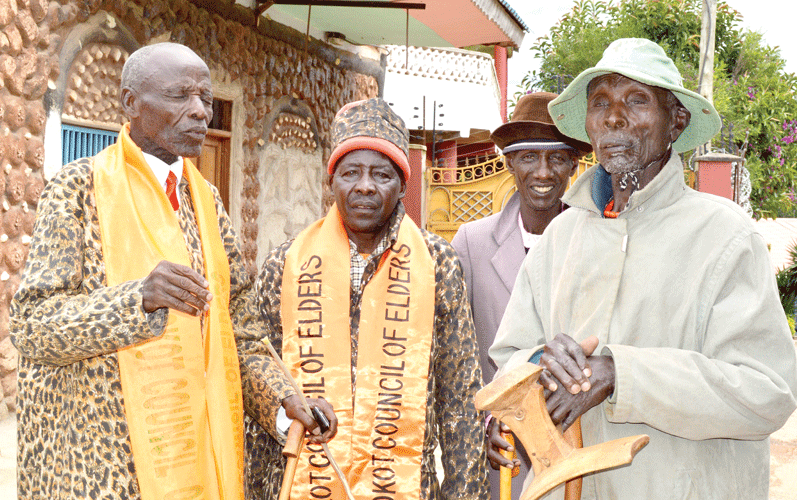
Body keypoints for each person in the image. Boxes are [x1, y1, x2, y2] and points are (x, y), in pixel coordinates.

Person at [10, 42, 334, 500]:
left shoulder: (206, 201)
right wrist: (137, 298)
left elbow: (239, 331)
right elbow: (32, 326)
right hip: (103, 472)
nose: (201, 112)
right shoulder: (78, 189)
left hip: (194, 461)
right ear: (130, 103)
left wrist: (285, 402)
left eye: (205, 98)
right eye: (181, 96)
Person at [489, 38, 797, 499]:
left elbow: (765, 392)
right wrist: (532, 380)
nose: (614, 117)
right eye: (601, 103)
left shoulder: (725, 235)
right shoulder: (561, 236)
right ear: (589, 125)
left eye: (636, 100)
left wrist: (619, 373)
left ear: (676, 122)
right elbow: (511, 360)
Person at [245, 97, 488, 500]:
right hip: (301, 480)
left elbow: (460, 394)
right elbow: (256, 367)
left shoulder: (437, 264)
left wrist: (465, 492)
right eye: (350, 172)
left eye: (381, 174)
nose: (364, 186)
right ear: (331, 181)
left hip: (406, 484)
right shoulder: (286, 263)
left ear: (403, 185)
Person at [451, 91, 590, 500]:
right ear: (508, 162)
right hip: (504, 452)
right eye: (528, 157)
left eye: (556, 158)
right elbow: (457, 357)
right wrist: (482, 425)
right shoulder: (472, 243)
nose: (543, 172)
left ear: (574, 165)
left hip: (576, 447)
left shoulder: (596, 244)